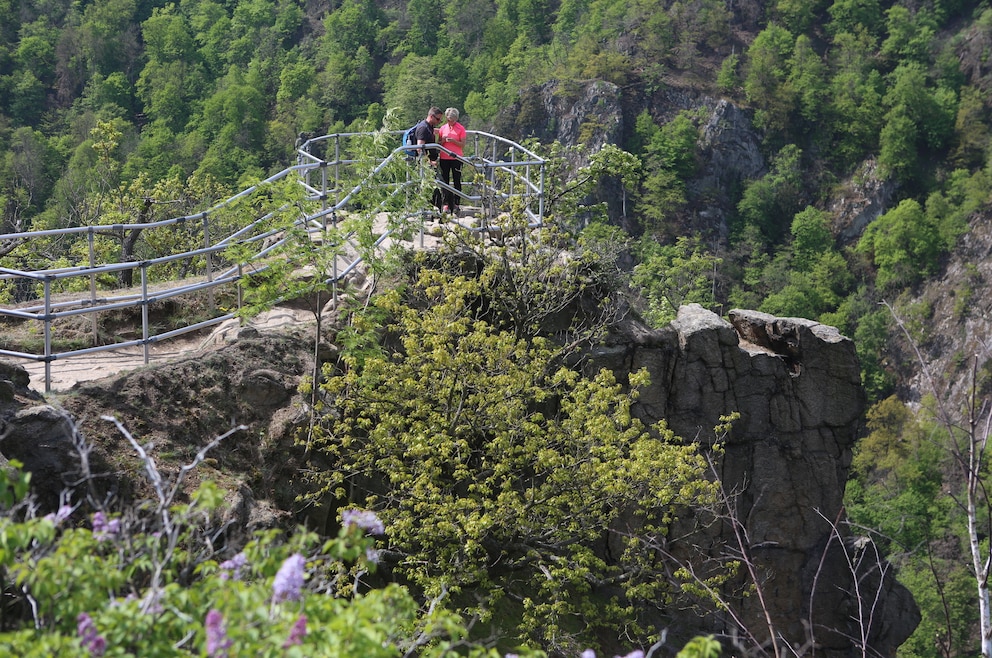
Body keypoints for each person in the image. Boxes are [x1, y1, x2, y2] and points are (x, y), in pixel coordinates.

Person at [437, 107, 467, 214]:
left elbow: (463, 144)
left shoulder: (461, 128)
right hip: (444, 157)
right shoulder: (443, 128)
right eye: (449, 119)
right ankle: (445, 203)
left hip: (456, 158)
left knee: (457, 180)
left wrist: (454, 141)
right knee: (444, 181)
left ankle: (456, 203)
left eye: (453, 120)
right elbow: (438, 143)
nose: (451, 122)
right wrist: (443, 141)